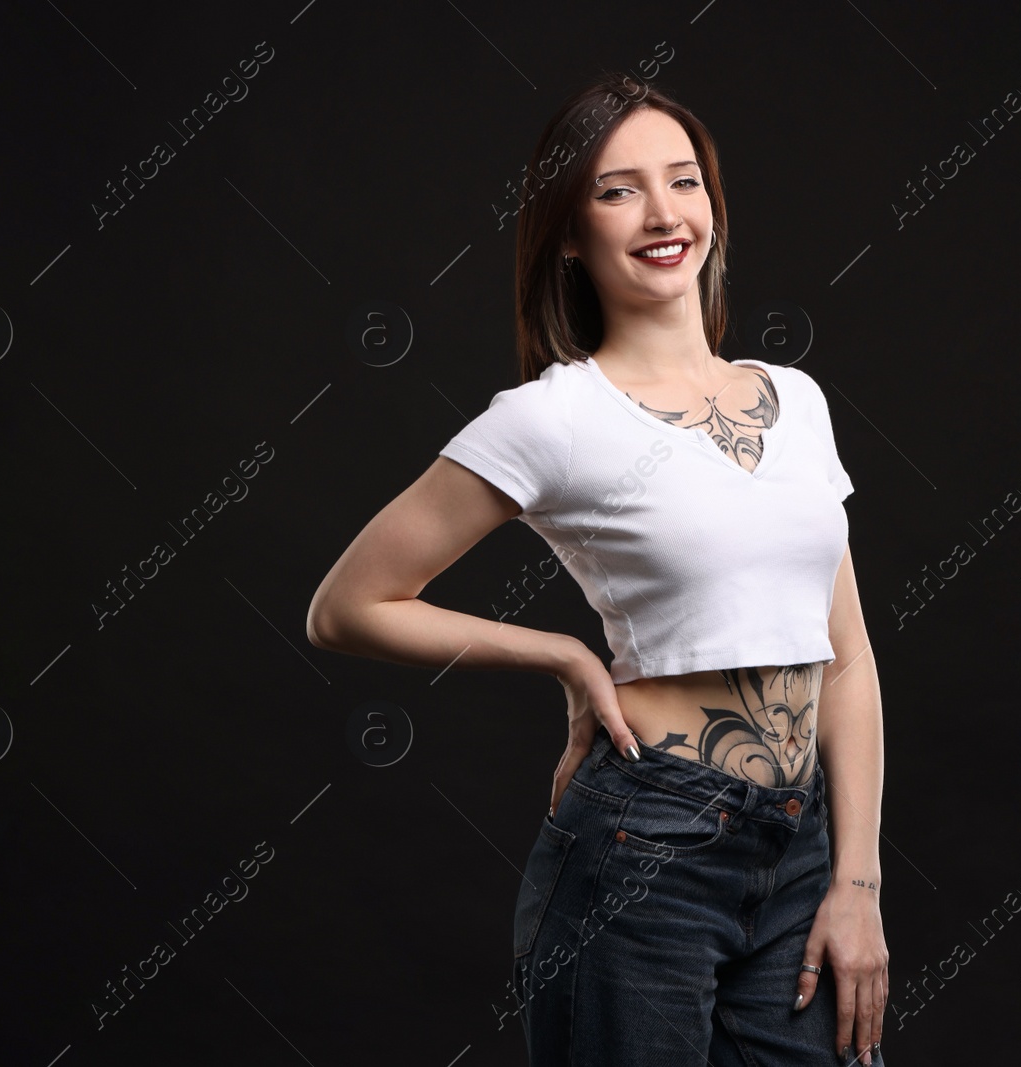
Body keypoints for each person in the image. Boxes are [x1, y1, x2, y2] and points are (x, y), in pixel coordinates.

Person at [306, 71, 887, 1066]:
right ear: (569, 231)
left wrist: (855, 881)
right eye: (618, 190)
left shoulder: (794, 398)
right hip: (643, 845)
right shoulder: (552, 416)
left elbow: (848, 655)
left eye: (684, 181)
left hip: (801, 853)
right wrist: (564, 656)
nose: (663, 214)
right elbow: (347, 605)